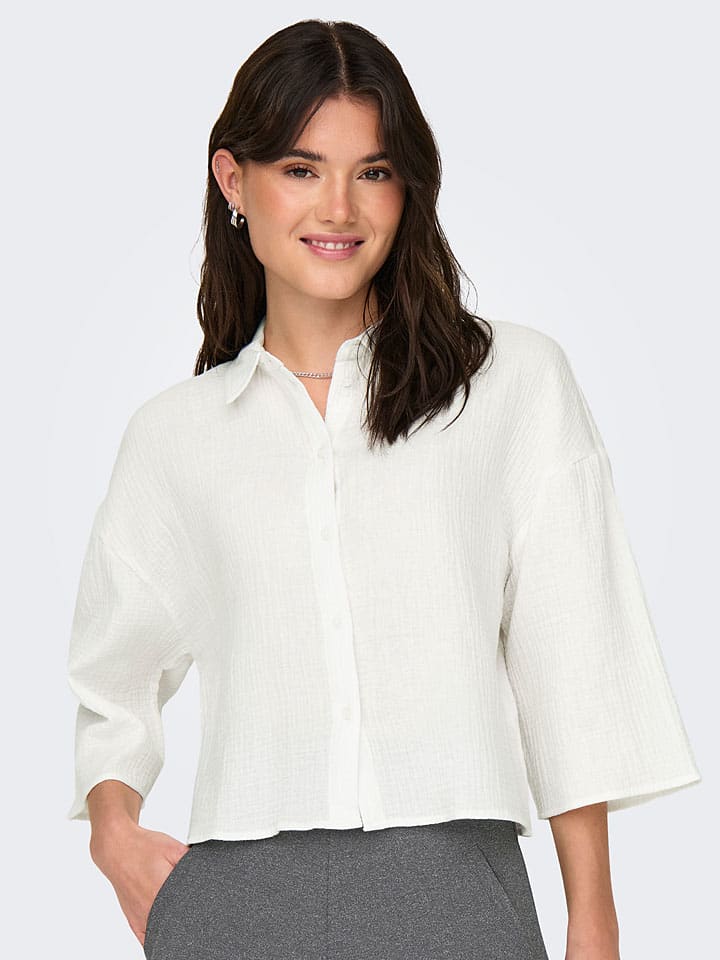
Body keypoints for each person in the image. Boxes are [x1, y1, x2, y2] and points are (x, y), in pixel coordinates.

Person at [65, 18, 702, 960]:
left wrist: (594, 924)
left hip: (456, 892)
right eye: (301, 169)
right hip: (234, 904)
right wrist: (115, 837)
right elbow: (113, 679)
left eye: (373, 171)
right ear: (234, 181)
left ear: (409, 187)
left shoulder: (511, 386)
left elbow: (573, 663)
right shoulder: (174, 437)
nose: (340, 207)